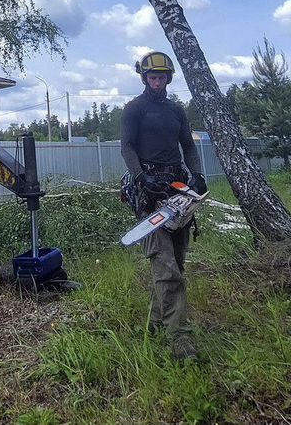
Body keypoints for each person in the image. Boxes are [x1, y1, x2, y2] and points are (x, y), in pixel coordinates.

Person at [120, 50, 207, 360]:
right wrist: (141, 177)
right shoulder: (135, 109)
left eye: (162, 77)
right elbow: (126, 148)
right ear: (145, 78)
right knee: (166, 265)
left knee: (177, 262)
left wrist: (197, 175)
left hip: (178, 190)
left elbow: (188, 145)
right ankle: (180, 340)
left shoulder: (176, 110)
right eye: (152, 77)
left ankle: (157, 322)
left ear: (169, 78)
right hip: (149, 193)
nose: (157, 82)